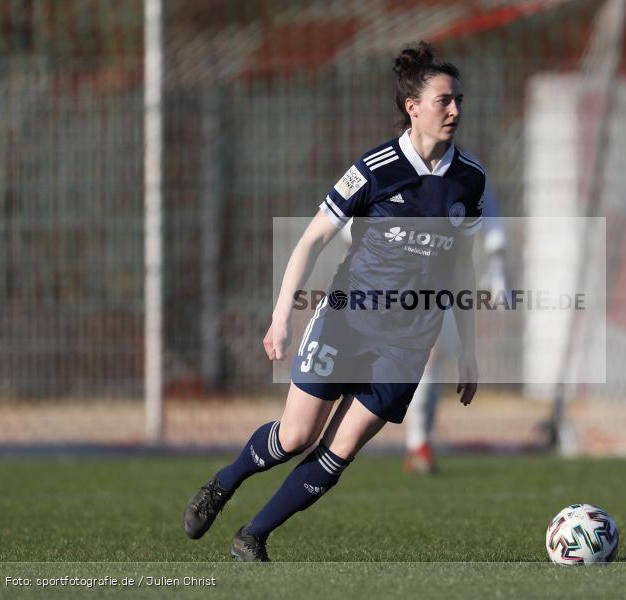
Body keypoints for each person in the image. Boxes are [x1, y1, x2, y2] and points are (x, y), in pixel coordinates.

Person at [182, 41, 483, 561]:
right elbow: (311, 240)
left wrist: (470, 349)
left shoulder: (469, 178)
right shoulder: (375, 168)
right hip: (348, 320)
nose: (455, 109)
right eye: (443, 100)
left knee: (339, 451)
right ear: (413, 108)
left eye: (458, 99)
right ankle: (223, 484)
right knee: (297, 434)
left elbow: (461, 265)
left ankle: (253, 536)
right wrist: (280, 317)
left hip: (409, 340)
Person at [403, 185, 507, 474]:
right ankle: (417, 441)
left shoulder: (468, 173)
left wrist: (498, 267)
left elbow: (492, 218)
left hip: (443, 285)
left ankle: (420, 441)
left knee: (435, 360)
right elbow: (352, 226)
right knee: (425, 358)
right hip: (397, 284)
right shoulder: (394, 167)